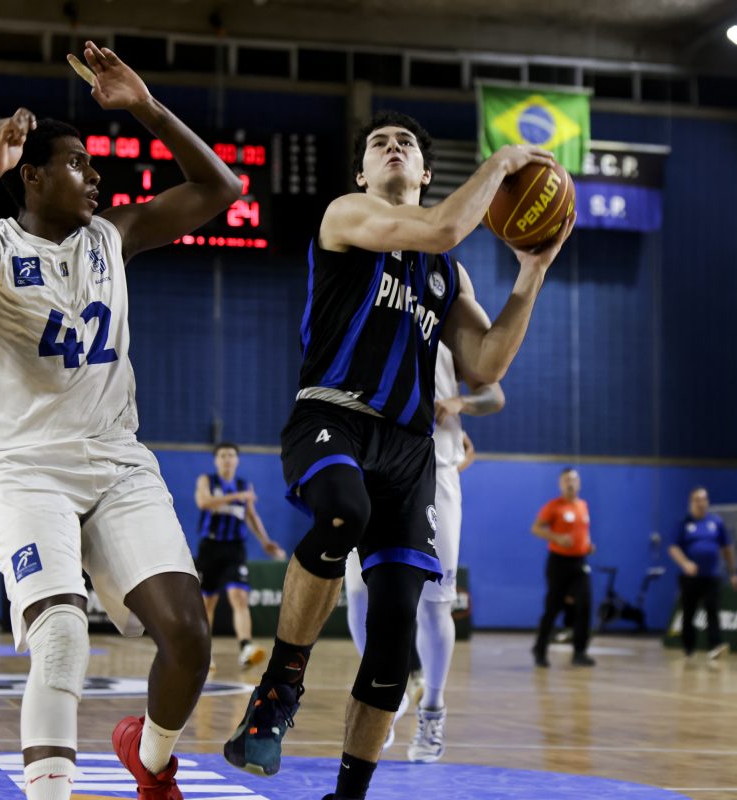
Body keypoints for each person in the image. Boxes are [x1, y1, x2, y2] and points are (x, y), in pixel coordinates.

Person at [0, 40, 242, 800]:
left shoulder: (113, 238)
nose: (95, 176)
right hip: (26, 470)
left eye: (94, 165)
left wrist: (147, 107)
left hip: (116, 462)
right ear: (31, 175)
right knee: (59, 636)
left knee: (190, 636)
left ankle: (150, 762)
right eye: (79, 164)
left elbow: (221, 188)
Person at [222, 109, 573, 800]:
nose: (392, 148)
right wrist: (504, 161)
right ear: (361, 172)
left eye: (404, 143)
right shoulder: (347, 215)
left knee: (393, 636)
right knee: (341, 512)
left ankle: (350, 794)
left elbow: (486, 365)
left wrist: (532, 272)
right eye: (379, 144)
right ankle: (279, 688)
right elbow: (442, 225)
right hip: (334, 413)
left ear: (424, 171)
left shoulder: (447, 274)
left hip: (409, 451)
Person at [344, 341, 504, 761]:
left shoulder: (450, 313)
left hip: (437, 468)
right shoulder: (369, 311)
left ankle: (432, 709)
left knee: (435, 605)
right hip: (373, 469)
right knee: (358, 594)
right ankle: (389, 695)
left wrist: (460, 402)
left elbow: (494, 394)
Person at [194, 442, 286, 670]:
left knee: (240, 597)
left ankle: (246, 648)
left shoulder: (244, 485)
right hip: (210, 547)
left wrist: (265, 542)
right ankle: (203, 652)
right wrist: (237, 496)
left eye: (231, 455)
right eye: (223, 455)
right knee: (208, 602)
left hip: (235, 548)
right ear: (216, 460)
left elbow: (251, 516)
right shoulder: (207, 480)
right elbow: (203, 502)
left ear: (237, 460)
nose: (227, 459)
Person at [530, 468, 596, 668]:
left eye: (574, 480)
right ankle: (540, 650)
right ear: (561, 483)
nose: (570, 483)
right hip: (559, 563)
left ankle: (580, 652)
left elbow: (583, 532)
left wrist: (587, 545)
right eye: (566, 480)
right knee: (553, 607)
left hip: (580, 562)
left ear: (579, 483)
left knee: (584, 604)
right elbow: (536, 528)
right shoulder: (554, 506)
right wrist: (556, 537)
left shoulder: (583, 506)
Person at [667, 487, 737, 661]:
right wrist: (685, 563)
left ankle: (715, 646)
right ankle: (689, 648)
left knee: (712, 610)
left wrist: (733, 572)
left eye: (704, 499)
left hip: (711, 576)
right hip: (690, 577)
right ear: (691, 502)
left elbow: (727, 547)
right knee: (689, 613)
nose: (701, 503)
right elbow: (673, 547)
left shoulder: (716, 522)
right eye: (697, 500)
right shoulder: (684, 523)